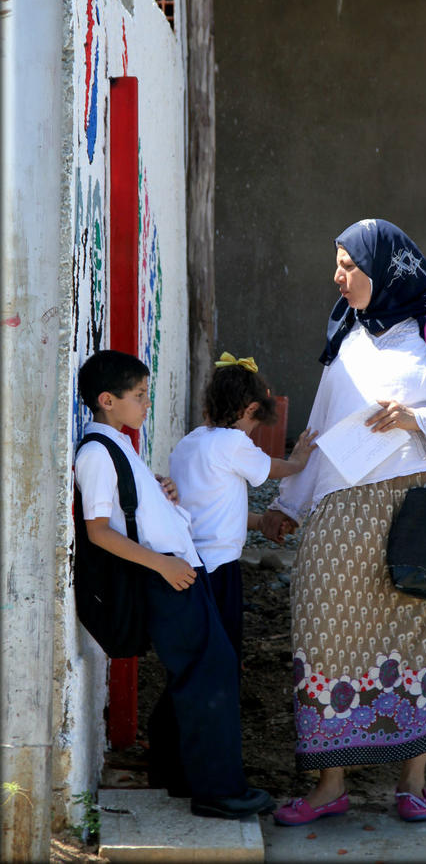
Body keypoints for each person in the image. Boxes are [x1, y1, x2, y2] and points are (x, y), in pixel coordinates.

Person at [262, 219, 426, 825]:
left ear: (385, 266)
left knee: (423, 636)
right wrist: (289, 503)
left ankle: (413, 782)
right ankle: (329, 785)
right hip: (343, 513)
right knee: (322, 635)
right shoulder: (346, 333)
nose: (336, 277)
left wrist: (418, 420)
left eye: (347, 264)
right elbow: (320, 426)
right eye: (337, 264)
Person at [74, 349, 274, 819]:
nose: (147, 404)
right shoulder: (96, 453)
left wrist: (164, 493)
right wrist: (163, 567)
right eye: (139, 396)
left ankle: (186, 776)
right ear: (107, 399)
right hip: (164, 576)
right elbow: (99, 531)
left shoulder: (117, 444)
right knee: (209, 676)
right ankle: (218, 792)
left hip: (178, 571)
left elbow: (131, 512)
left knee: (205, 672)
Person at [168, 352, 317, 667]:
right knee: (224, 649)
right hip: (220, 568)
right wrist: (298, 462)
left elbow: (208, 510)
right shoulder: (232, 442)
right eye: (254, 423)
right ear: (250, 409)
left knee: (198, 651)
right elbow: (269, 468)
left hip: (190, 564)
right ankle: (216, 707)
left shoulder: (190, 443)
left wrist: (260, 521)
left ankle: (187, 710)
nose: (252, 433)